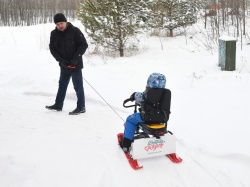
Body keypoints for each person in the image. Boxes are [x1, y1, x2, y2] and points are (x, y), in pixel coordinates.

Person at [46, 13, 88, 115]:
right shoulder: (54, 34)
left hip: (75, 64)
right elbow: (52, 49)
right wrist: (60, 60)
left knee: (78, 86)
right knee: (62, 85)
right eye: (57, 24)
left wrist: (75, 60)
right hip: (64, 65)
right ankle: (58, 105)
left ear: (65, 21)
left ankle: (81, 107)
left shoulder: (74, 31)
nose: (60, 25)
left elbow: (83, 45)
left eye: (61, 23)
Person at [120, 73, 167, 152]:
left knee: (130, 119)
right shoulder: (166, 93)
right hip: (162, 118)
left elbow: (137, 96)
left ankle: (126, 144)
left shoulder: (147, 93)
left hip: (147, 118)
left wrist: (133, 95)